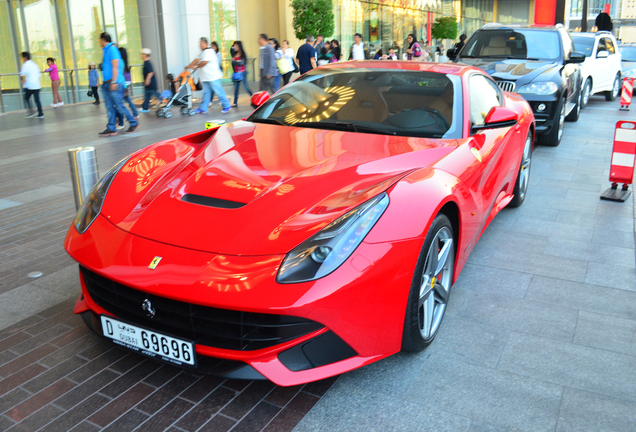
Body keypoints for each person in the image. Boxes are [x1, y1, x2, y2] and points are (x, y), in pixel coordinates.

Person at [98, 32, 138, 136]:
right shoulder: (106, 50)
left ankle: (133, 123)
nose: (99, 42)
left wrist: (114, 81)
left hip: (113, 83)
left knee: (119, 106)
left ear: (102, 40)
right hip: (107, 83)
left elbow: (116, 66)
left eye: (100, 40)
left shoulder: (112, 49)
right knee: (110, 107)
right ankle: (111, 128)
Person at [186, 37, 231, 114]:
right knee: (206, 93)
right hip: (206, 78)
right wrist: (189, 66)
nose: (199, 45)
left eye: (201, 43)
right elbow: (196, 60)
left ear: (205, 43)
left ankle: (227, 106)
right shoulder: (202, 52)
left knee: (219, 91)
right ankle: (203, 108)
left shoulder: (209, 51)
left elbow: (204, 62)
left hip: (213, 77)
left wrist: (195, 67)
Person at [116, 47, 138, 129]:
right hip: (125, 84)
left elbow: (120, 75)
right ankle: (134, 114)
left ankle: (121, 122)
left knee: (119, 105)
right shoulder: (125, 62)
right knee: (125, 101)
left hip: (122, 85)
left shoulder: (120, 62)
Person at [20, 52, 43, 118]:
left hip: (30, 86)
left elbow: (22, 74)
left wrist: (23, 80)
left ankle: (31, 112)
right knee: (37, 100)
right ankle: (40, 114)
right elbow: (39, 74)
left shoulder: (25, 65)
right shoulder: (35, 64)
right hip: (37, 85)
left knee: (26, 98)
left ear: (24, 58)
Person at [231, 40, 252, 107]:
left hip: (242, 73)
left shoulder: (243, 54)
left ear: (239, 46)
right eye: (234, 45)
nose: (234, 47)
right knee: (236, 89)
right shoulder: (234, 54)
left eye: (236, 45)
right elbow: (233, 63)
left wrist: (235, 61)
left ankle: (254, 98)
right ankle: (235, 102)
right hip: (236, 73)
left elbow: (241, 62)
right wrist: (236, 61)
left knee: (246, 88)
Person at [140, 48, 161, 112]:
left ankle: (165, 100)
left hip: (151, 83)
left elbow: (151, 72)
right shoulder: (146, 62)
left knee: (155, 93)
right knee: (147, 96)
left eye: (142, 54)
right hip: (149, 83)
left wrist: (147, 80)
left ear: (145, 55)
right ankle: (145, 108)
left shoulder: (147, 63)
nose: (141, 55)